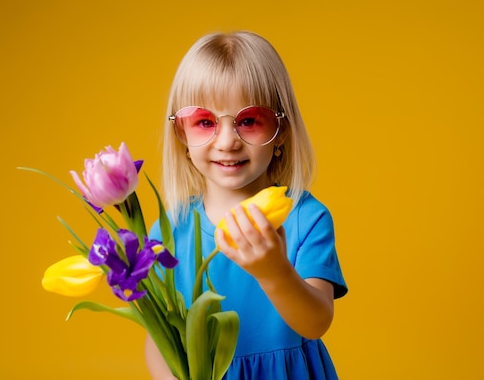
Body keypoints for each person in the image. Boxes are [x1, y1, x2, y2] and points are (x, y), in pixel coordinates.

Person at [146, 30, 348, 380]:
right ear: (181, 132)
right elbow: (159, 338)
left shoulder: (305, 219)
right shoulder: (170, 231)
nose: (227, 142)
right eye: (205, 122)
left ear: (281, 129)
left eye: (249, 121)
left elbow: (316, 322)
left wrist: (275, 273)